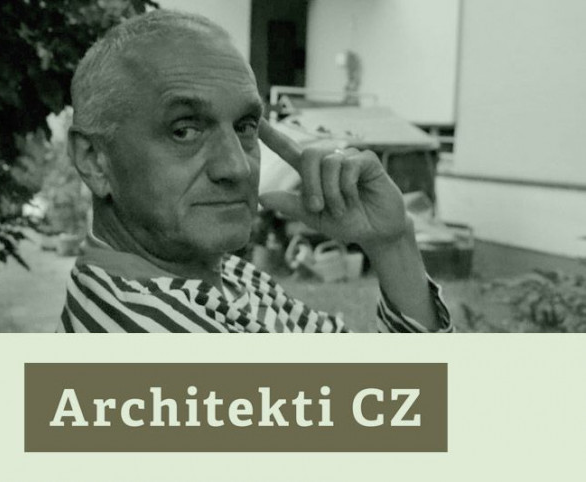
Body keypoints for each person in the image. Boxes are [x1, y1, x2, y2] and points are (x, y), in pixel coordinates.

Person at [58, 9, 452, 333]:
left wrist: (393, 243)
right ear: (94, 160)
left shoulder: (219, 272)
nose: (237, 166)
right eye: (184, 131)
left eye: (245, 127)